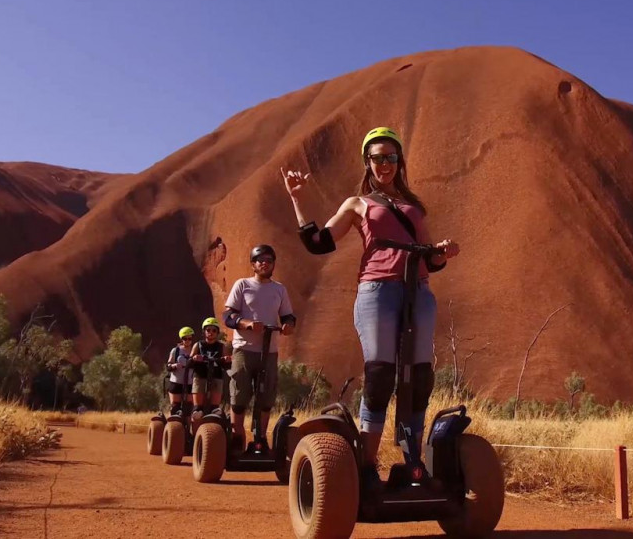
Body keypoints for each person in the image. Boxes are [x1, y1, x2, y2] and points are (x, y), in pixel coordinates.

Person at [281, 126, 460, 476]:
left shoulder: (413, 207)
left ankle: (413, 463)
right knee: (380, 376)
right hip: (377, 291)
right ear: (367, 162)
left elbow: (430, 260)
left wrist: (444, 252)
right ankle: (366, 465)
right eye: (378, 157)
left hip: (418, 291)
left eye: (391, 157)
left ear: (399, 161)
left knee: (419, 377)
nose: (385, 164)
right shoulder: (357, 204)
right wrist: (298, 200)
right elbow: (319, 242)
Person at [222, 245, 296, 454]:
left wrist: (289, 325)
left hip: (269, 350)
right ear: (253, 264)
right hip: (244, 349)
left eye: (269, 260)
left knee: (266, 396)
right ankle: (238, 437)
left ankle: (261, 439)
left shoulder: (279, 289)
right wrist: (246, 323)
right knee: (240, 394)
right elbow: (228, 316)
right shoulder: (242, 285)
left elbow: (288, 315)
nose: (265, 263)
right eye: (260, 259)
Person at [189, 317, 231, 424]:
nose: (211, 333)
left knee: (215, 410)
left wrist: (227, 360)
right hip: (200, 376)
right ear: (204, 332)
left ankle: (214, 423)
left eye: (214, 330)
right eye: (208, 330)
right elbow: (189, 362)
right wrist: (194, 358)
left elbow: (228, 363)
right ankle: (195, 433)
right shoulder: (198, 345)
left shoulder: (222, 346)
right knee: (197, 411)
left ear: (217, 332)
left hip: (216, 376)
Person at [166, 327, 195, 415]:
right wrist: (174, 365)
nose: (187, 341)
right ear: (181, 339)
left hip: (190, 383)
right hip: (176, 382)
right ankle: (173, 427)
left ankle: (187, 428)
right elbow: (168, 366)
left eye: (189, 338)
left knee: (188, 409)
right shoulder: (176, 350)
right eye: (185, 338)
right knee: (175, 408)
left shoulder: (196, 350)